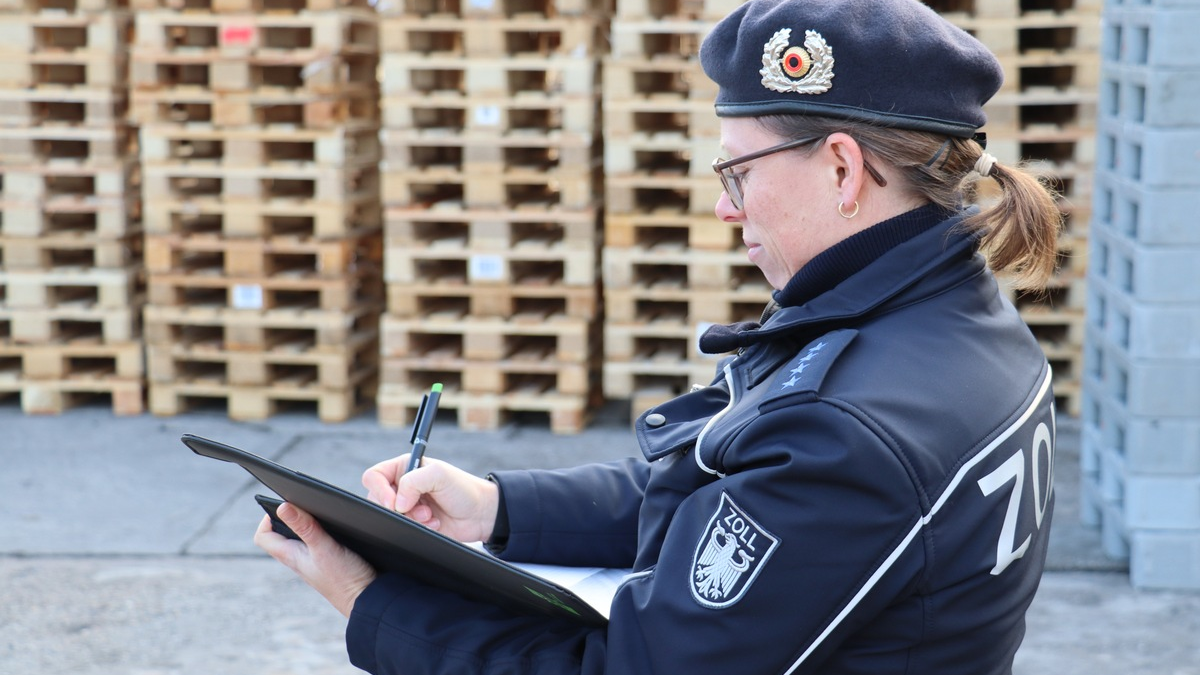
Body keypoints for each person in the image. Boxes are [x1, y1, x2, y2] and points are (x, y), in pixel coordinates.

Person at [255, 0, 1062, 672]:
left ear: (844, 170)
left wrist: (371, 603)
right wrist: (497, 509)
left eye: (737, 172)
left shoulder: (849, 425)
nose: (726, 207)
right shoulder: (945, 318)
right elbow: (725, 493)